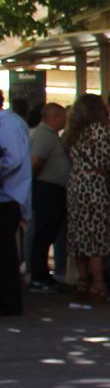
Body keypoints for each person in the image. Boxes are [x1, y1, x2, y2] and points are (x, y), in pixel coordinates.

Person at [63, 93, 110, 304]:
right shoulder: (100, 131)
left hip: (76, 185)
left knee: (79, 234)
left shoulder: (72, 133)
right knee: (97, 235)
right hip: (97, 186)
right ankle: (98, 284)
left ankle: (83, 281)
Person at [27, 101, 69, 290]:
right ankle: (38, 276)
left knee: (47, 233)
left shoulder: (50, 135)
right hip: (47, 189)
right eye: (62, 117)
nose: (65, 121)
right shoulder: (44, 135)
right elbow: (36, 162)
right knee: (43, 233)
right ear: (54, 118)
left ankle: (41, 274)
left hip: (51, 188)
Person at [0, 88, 30, 315]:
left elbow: (13, 160)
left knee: (5, 252)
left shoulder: (8, 124)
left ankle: (9, 303)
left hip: (6, 197)